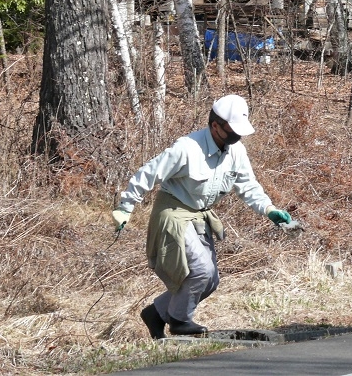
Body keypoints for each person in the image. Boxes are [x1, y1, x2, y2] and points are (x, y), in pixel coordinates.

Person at [110, 94, 298, 338]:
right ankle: (179, 321)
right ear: (215, 126)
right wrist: (125, 207)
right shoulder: (187, 148)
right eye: (232, 130)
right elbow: (149, 173)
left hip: (199, 215)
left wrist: (269, 209)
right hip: (174, 211)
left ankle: (157, 313)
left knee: (210, 281)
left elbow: (248, 186)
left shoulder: (236, 151)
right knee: (200, 271)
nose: (237, 136)